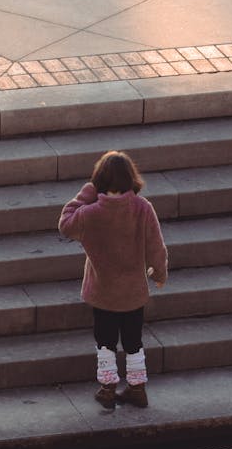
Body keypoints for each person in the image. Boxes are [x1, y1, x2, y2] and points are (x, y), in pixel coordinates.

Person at [58, 150, 168, 409]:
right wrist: (160, 274)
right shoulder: (143, 208)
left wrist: (87, 191)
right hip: (133, 292)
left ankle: (107, 389)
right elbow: (156, 247)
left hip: (103, 291)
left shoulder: (91, 213)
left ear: (100, 181)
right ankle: (137, 388)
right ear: (131, 177)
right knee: (133, 341)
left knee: (105, 340)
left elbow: (65, 224)